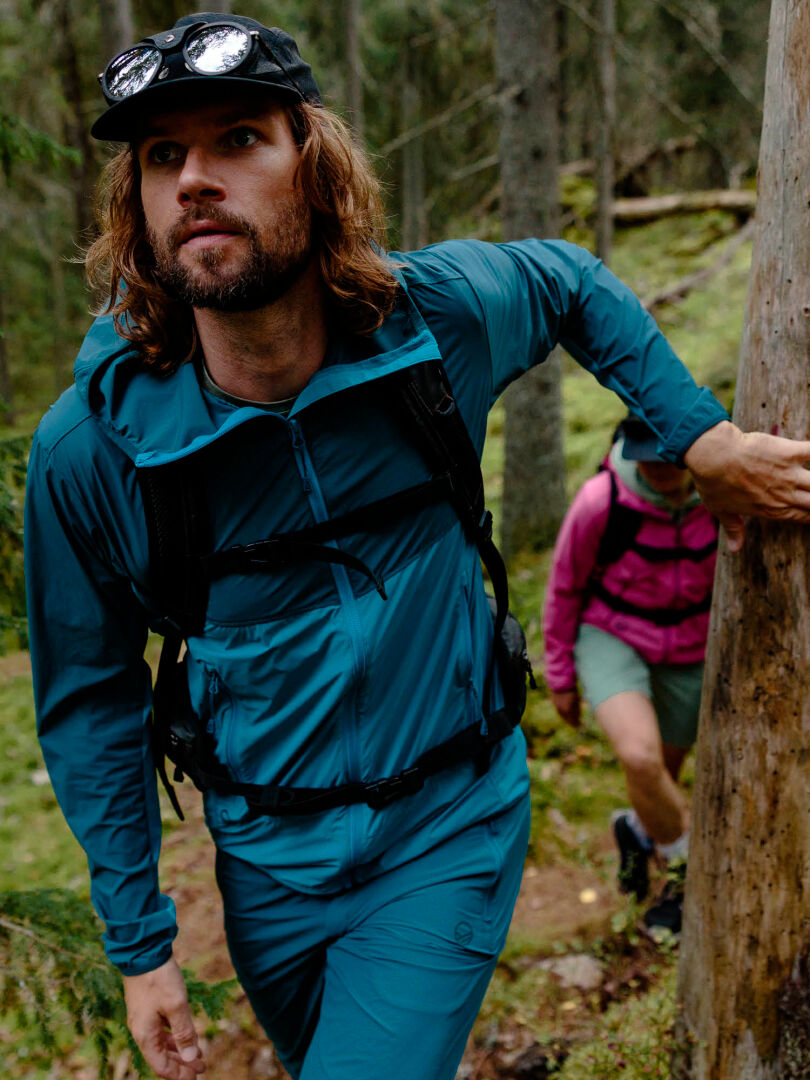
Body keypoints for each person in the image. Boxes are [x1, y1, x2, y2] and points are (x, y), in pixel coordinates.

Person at [23, 13, 810, 1080]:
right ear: (139, 205)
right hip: (263, 863)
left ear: (317, 169)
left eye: (239, 140)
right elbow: (88, 701)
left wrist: (702, 437)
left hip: (448, 825)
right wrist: (139, 944)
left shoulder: (433, 324)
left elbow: (572, 280)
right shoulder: (94, 450)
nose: (196, 178)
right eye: (164, 156)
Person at [543, 416, 716, 934]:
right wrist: (561, 677)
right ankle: (686, 882)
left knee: (662, 773)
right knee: (640, 758)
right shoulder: (602, 501)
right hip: (612, 634)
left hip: (691, 643)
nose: (658, 467)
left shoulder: (719, 492)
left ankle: (635, 830)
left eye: (669, 456)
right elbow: (564, 586)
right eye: (647, 455)